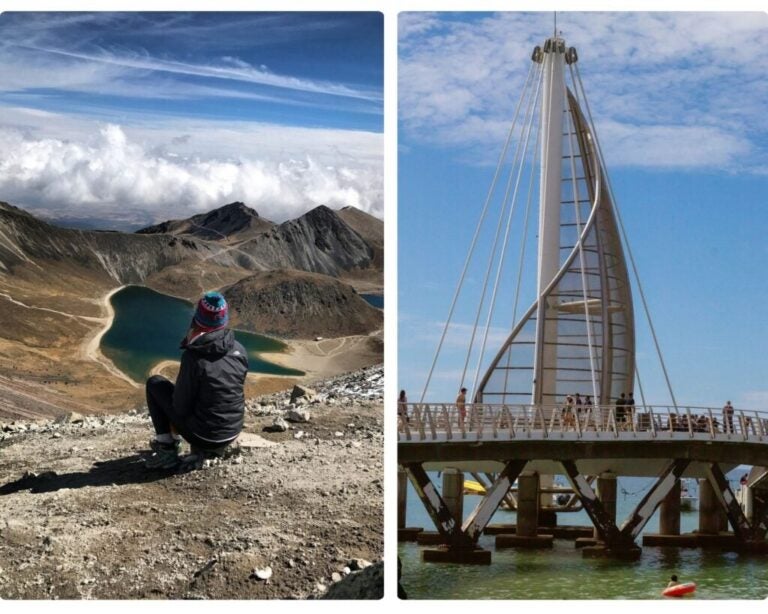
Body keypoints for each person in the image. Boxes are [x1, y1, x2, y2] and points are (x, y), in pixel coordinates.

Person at [144, 291, 248, 470]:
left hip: (206, 436)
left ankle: (167, 450)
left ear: (198, 319)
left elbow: (180, 407)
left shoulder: (194, 357)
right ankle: (209, 447)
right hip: (232, 432)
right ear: (223, 321)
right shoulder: (239, 349)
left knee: (155, 384)